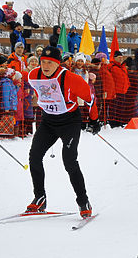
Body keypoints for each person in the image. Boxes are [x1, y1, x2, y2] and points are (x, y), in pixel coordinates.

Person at [26, 46, 100, 219]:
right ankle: (40, 197)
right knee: (34, 156)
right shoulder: (34, 75)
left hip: (69, 122)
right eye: (43, 61)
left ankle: (83, 201)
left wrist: (94, 120)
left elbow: (90, 100)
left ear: (58, 64)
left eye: (50, 63)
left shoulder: (71, 78)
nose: (45, 66)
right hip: (49, 122)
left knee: (69, 160)